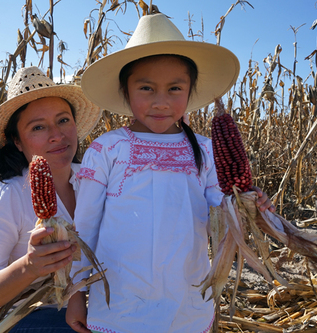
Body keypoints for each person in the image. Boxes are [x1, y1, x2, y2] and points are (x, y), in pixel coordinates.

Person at [66, 13, 275, 333]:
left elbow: (221, 208)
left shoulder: (206, 151)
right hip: (120, 302)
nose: (161, 102)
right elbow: (86, 227)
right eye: (146, 88)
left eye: (175, 88)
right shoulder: (107, 150)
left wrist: (247, 205)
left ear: (190, 90)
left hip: (186, 300)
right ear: (125, 90)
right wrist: (76, 293)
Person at [0, 66, 102, 333]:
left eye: (63, 120)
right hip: (23, 321)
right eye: (38, 127)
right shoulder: (8, 196)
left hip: (90, 311)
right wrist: (29, 267)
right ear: (18, 141)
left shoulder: (96, 182)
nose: (56, 135)